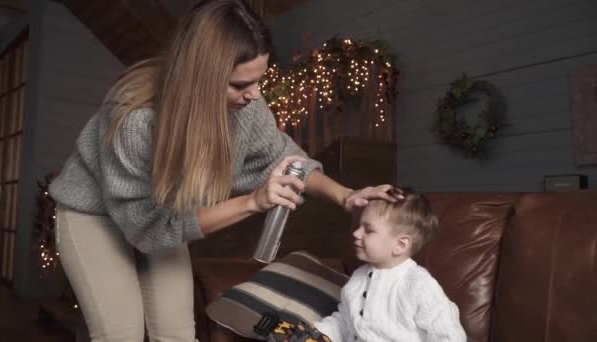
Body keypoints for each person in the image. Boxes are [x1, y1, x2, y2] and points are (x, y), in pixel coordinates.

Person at [49, 1, 400, 341]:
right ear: (199, 77)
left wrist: (346, 195)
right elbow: (146, 231)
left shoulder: (248, 108)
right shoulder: (137, 120)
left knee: (176, 333)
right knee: (120, 334)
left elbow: (290, 161)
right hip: (97, 217)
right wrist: (251, 202)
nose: (254, 95)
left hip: (165, 218)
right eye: (239, 85)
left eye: (258, 80)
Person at [313, 189, 467, 342]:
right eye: (359, 226)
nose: (356, 233)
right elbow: (345, 322)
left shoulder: (419, 285)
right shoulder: (358, 277)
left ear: (400, 245)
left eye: (368, 230)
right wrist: (318, 333)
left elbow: (448, 335)